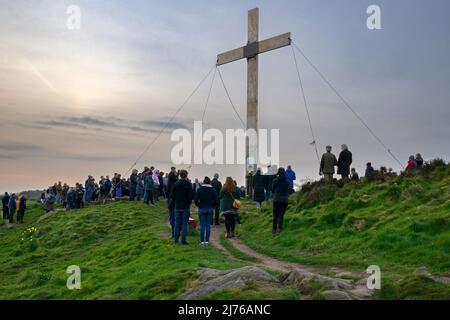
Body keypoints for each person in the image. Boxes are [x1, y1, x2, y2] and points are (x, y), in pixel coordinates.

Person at [170, 169, 193, 245]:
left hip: (177, 206)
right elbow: (190, 196)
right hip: (185, 206)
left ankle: (176, 239)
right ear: (186, 175)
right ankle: (183, 240)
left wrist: (176, 201)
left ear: (180, 175)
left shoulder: (176, 184)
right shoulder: (188, 184)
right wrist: (188, 203)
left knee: (177, 223)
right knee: (184, 224)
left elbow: (172, 195)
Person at [194, 177, 219, 245]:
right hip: (210, 209)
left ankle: (202, 241)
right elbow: (217, 201)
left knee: (202, 225)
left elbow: (195, 200)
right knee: (208, 225)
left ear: (204, 182)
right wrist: (212, 206)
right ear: (210, 182)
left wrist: (199, 205)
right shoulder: (213, 190)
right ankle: (207, 241)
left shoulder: (200, 189)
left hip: (202, 208)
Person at [272, 168, 289, 234]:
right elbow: (288, 189)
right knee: (281, 214)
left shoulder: (275, 180)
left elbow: (273, 190)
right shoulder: (287, 181)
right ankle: (280, 229)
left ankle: (274, 229)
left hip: (276, 199)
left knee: (275, 215)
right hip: (284, 200)